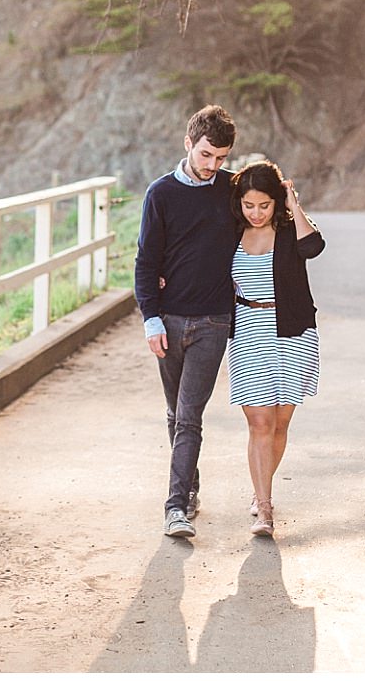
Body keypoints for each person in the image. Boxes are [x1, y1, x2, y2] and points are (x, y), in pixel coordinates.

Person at [134, 105, 244, 539]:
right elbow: (146, 261)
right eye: (206, 156)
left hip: (214, 321)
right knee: (174, 411)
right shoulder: (160, 194)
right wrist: (151, 319)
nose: (213, 166)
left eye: (221, 158)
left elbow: (264, 213)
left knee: (189, 415)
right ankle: (190, 486)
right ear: (188, 144)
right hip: (169, 321)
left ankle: (176, 507)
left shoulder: (231, 189)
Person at [227, 159, 324, 538]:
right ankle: (264, 508)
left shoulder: (288, 230)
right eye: (249, 205)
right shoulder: (231, 232)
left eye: (263, 205)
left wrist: (291, 202)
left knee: (280, 424)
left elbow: (314, 246)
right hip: (249, 334)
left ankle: (259, 490)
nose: (255, 213)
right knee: (259, 423)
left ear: (275, 201)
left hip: (292, 334)